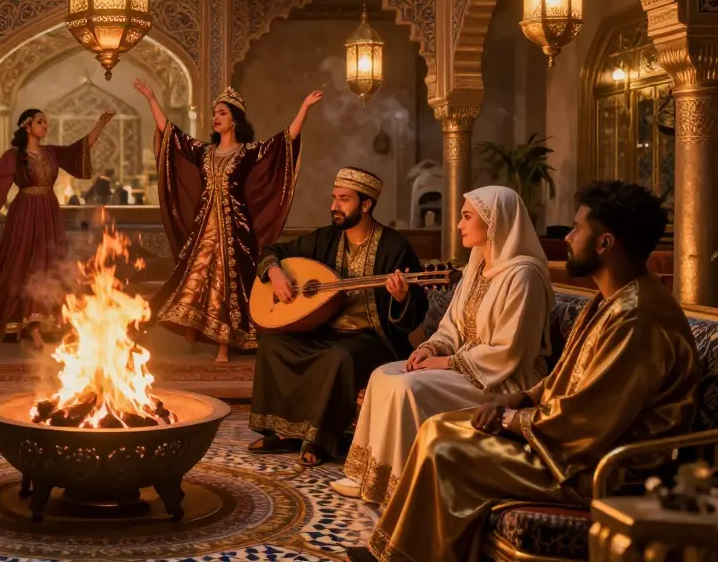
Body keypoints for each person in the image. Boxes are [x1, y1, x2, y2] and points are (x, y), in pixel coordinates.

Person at [353, 181, 699, 562]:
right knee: (439, 429)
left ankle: (406, 557)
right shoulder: (610, 299)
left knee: (446, 449)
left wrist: (509, 417)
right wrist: (522, 397)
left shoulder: (638, 318)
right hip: (569, 443)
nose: (566, 237)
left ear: (605, 244)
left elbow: (588, 421)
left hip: (600, 467)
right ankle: (402, 551)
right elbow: (570, 375)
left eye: (577, 229)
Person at [334, 185, 553, 502]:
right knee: (383, 375)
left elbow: (510, 352)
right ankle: (368, 474)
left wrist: (448, 362)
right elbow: (452, 325)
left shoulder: (524, 276)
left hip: (503, 380)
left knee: (407, 388)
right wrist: (431, 348)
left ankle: (400, 483)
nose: (459, 225)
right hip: (467, 368)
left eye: (467, 217)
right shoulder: (477, 265)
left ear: (494, 221)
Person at [248, 167, 427, 466]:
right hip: (324, 329)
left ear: (366, 204)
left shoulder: (395, 247)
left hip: (372, 339)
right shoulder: (326, 239)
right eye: (334, 198)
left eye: (344, 199)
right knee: (272, 343)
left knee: (338, 357)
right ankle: (281, 432)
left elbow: (414, 313)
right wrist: (276, 272)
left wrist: (401, 297)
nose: (334, 206)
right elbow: (272, 250)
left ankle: (321, 440)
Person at [138, 80, 321, 364]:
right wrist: (151, 99)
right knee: (196, 275)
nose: (216, 117)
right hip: (204, 227)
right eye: (214, 113)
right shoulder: (205, 152)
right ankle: (194, 326)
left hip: (235, 229)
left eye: (221, 112)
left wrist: (304, 108)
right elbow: (172, 134)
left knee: (227, 283)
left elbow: (282, 142)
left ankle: (224, 346)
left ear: (234, 119)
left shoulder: (248, 152)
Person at [0, 107, 114, 349]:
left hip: (48, 212)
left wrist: (100, 125)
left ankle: (42, 321)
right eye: (41, 122)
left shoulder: (51, 153)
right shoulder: (14, 155)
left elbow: (79, 149)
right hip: (25, 213)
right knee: (23, 262)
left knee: (48, 263)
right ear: (27, 126)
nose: (45, 126)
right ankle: (23, 324)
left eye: (46, 122)